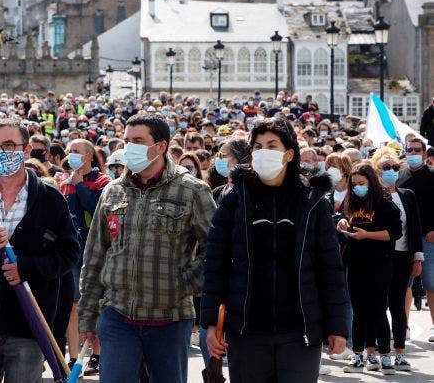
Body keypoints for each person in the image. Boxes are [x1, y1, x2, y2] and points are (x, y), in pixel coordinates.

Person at [202, 117, 349, 382]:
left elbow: (330, 267)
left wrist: (338, 326)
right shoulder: (234, 198)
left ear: (289, 153)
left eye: (272, 145)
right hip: (247, 330)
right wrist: (211, 322)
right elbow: (215, 263)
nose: (262, 152)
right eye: (257, 146)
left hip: (299, 331)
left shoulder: (312, 201)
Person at [78, 113, 216, 383]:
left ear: (161, 146)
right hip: (117, 317)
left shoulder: (193, 191)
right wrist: (88, 315)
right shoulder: (113, 191)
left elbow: (216, 249)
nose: (129, 148)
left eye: (138, 141)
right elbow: (95, 255)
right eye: (127, 140)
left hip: (170, 321)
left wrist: (186, 283)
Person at [0, 119, 80, 383]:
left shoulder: (50, 200)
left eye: (9, 145)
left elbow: (69, 253)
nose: (1, 152)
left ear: (26, 150)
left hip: (28, 328)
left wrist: (27, 268)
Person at [337, 163, 402, 374]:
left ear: (371, 182)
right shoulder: (351, 202)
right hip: (355, 263)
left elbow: (393, 233)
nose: (357, 187)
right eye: (354, 184)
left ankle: (385, 356)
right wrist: (342, 224)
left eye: (362, 183)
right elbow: (345, 223)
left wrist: (367, 235)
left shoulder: (384, 203)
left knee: (378, 310)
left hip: (379, 264)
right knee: (359, 312)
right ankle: (359, 355)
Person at [60, 138, 110, 375]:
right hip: (71, 254)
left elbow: (96, 210)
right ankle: (72, 357)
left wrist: (80, 185)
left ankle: (96, 355)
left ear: (89, 156)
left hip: (95, 253)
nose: (72, 155)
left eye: (77, 151)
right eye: (70, 151)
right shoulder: (64, 183)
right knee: (72, 306)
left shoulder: (103, 182)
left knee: (95, 306)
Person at [372, 150, 423, 371]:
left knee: (398, 307)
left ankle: (400, 353)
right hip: (379, 259)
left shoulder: (408, 195)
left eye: (395, 168)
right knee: (378, 306)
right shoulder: (372, 198)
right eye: (386, 168)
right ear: (377, 171)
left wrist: (417, 257)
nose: (391, 172)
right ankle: (381, 353)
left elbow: (415, 228)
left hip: (403, 257)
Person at [396, 138, 434, 342]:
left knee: (432, 284)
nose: (412, 153)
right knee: (404, 284)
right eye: (408, 150)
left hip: (429, 238)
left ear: (425, 154)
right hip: (406, 239)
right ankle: (403, 326)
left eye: (416, 150)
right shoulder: (399, 176)